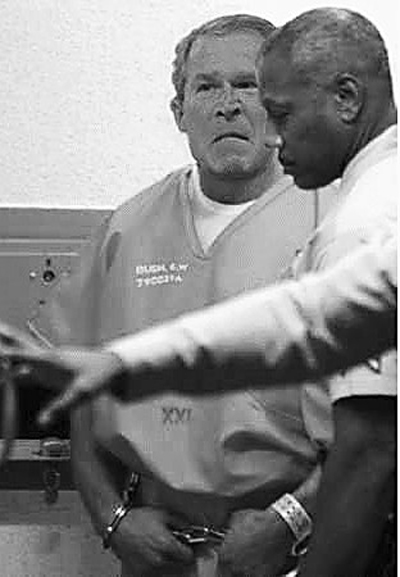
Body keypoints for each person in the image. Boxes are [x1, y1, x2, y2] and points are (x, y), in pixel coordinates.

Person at [11, 14, 338, 577]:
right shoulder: (129, 230)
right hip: (159, 551)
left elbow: (378, 423)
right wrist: (112, 519)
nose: (228, 105)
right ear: (179, 111)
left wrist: (288, 522)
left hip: (301, 546)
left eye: (249, 85)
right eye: (207, 87)